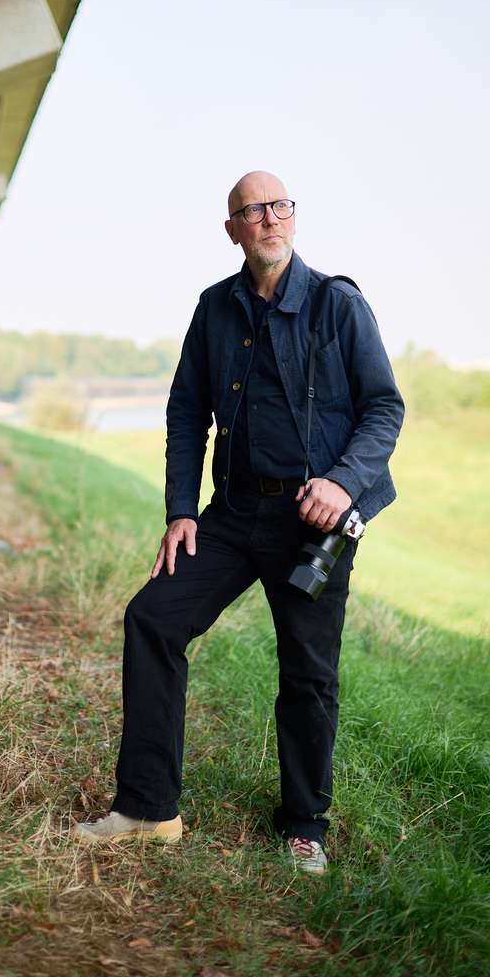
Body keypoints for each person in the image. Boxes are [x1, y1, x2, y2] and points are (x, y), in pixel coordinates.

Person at [73, 170, 405, 874]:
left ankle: (305, 825)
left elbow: (385, 408)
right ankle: (147, 809)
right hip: (231, 515)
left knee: (308, 672)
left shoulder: (337, 304)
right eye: (253, 210)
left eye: (280, 206)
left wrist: (343, 484)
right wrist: (178, 512)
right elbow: (187, 413)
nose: (269, 219)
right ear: (233, 229)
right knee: (153, 617)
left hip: (313, 523)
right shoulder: (214, 308)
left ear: (294, 217)